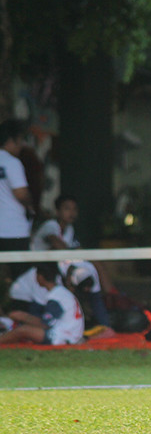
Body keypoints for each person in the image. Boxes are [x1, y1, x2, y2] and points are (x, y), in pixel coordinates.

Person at [0, 263, 84, 346]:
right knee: (24, 329)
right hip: (69, 333)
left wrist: (23, 316)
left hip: (64, 336)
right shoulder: (60, 292)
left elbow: (46, 324)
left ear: (40, 277)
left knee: (22, 330)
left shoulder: (56, 296)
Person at [0, 119, 34, 279]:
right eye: (20, 140)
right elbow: (21, 194)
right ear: (10, 140)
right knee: (21, 279)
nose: (22, 145)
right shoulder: (12, 163)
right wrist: (31, 206)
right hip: (14, 230)